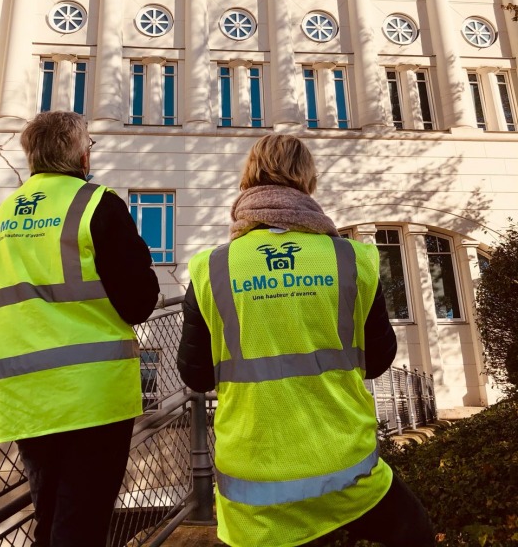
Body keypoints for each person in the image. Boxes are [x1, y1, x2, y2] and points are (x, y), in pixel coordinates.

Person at [178, 134, 434, 547]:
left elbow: (196, 374)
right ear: (307, 181)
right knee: (414, 531)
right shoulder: (352, 259)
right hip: (346, 470)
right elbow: (381, 357)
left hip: (252, 483)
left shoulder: (212, 269)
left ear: (249, 179)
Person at [0, 111, 159, 547]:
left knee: (51, 514)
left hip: (21, 392)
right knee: (83, 520)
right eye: (90, 146)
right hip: (89, 392)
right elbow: (138, 302)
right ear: (80, 154)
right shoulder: (96, 203)